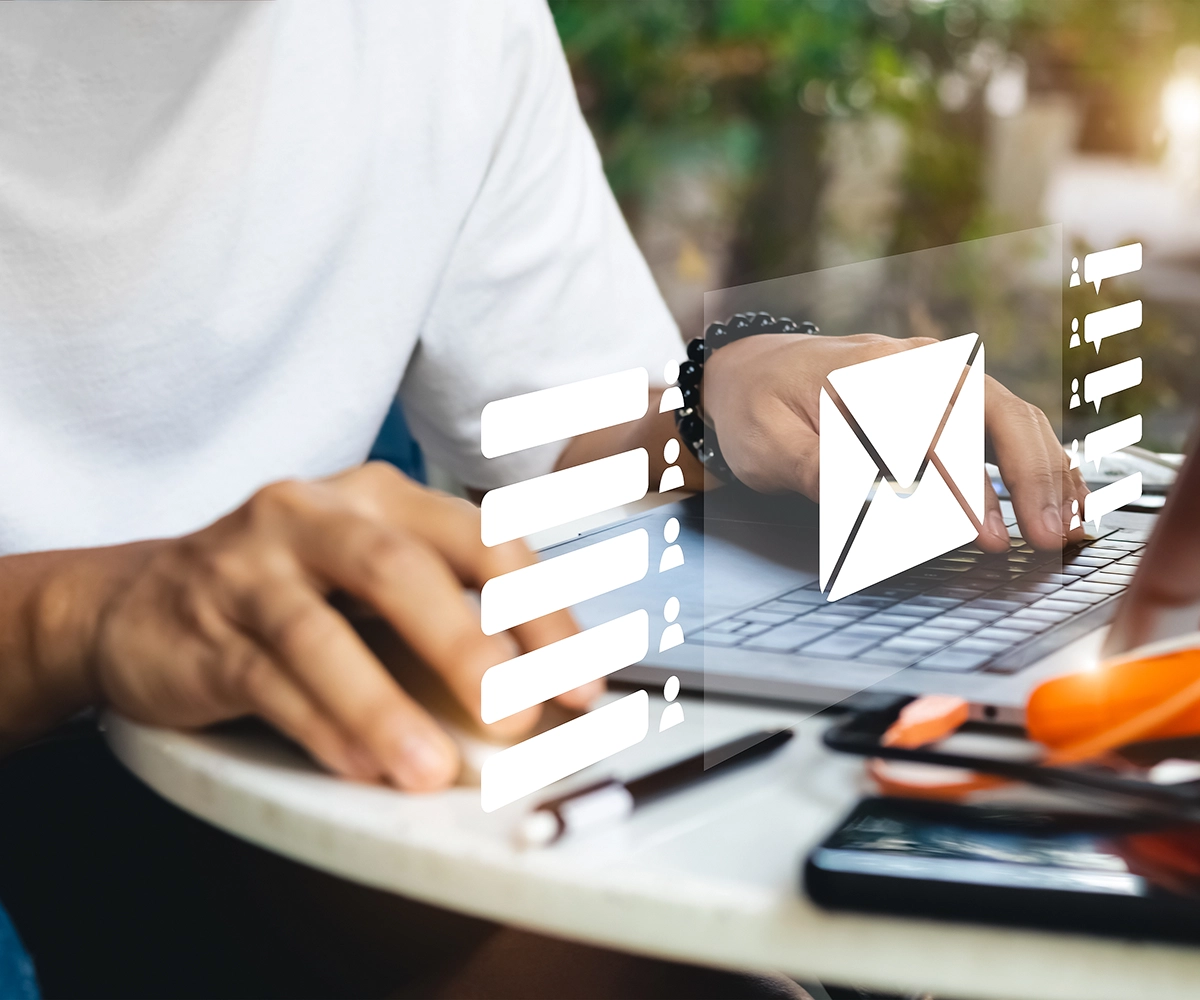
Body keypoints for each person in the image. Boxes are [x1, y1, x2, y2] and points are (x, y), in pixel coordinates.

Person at [0, 1, 1085, 995]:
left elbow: (563, 440)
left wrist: (720, 404)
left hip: (304, 780)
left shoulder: (448, 26)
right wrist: (81, 612)